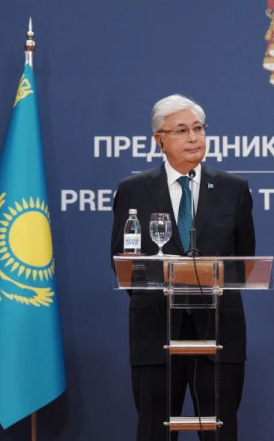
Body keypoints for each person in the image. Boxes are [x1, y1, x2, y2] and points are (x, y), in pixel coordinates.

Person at [111, 94, 256, 441]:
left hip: (218, 332)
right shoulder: (133, 190)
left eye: (198, 128)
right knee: (154, 433)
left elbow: (244, 263)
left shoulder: (233, 189)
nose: (193, 138)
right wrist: (163, 286)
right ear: (159, 140)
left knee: (220, 433)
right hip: (156, 329)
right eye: (181, 130)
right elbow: (122, 264)